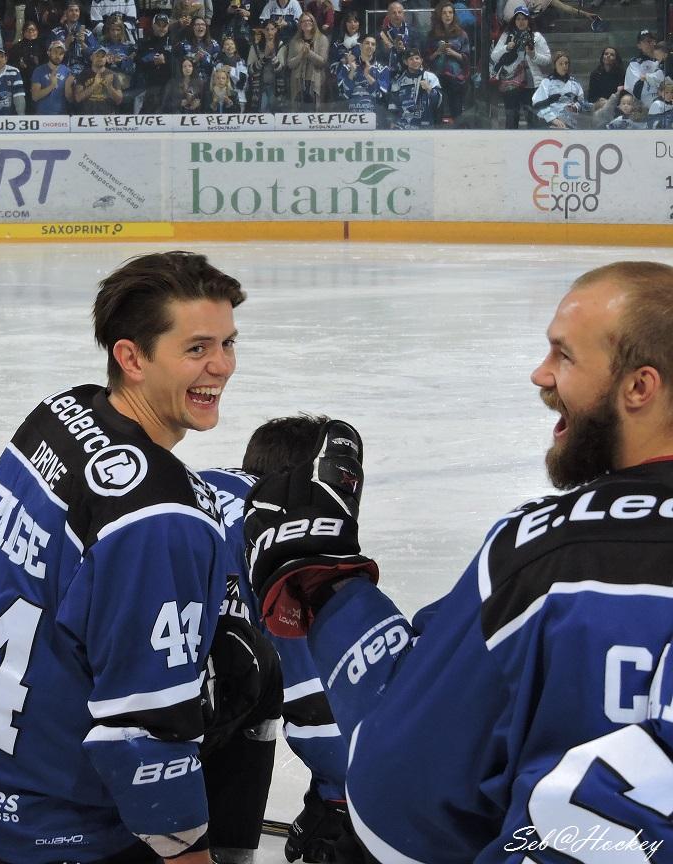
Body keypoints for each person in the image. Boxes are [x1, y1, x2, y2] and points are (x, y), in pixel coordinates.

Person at [243, 261, 673, 863]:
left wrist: (328, 585)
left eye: (565, 355)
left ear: (639, 388)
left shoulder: (545, 557)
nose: (541, 373)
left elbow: (403, 793)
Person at [0, 251, 246, 864]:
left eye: (228, 343)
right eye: (197, 348)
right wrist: (187, 850)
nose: (222, 366)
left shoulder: (63, 411)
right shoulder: (162, 520)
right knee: (247, 670)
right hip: (65, 822)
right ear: (132, 358)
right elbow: (146, 731)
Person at [200, 416, 360, 864]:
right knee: (260, 674)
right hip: (150, 722)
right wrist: (341, 797)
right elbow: (314, 706)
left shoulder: (203, 482)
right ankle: (225, 849)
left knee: (238, 661)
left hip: (76, 701)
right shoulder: (282, 538)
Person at [490, 6, 550, 129]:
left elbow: (547, 59)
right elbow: (494, 56)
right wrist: (506, 47)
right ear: (514, 20)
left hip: (531, 83)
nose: (521, 22)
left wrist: (533, 55)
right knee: (511, 118)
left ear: (528, 20)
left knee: (532, 119)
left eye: (524, 19)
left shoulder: (537, 37)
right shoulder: (506, 35)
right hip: (510, 82)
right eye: (518, 19)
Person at [423, 0, 469, 123]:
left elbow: (467, 58)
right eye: (444, 13)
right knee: (437, 110)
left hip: (456, 77)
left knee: (457, 111)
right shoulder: (432, 35)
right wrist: (437, 52)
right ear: (439, 15)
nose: (448, 15)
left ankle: (458, 132)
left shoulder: (462, 34)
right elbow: (426, 59)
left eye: (450, 12)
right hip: (437, 77)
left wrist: (453, 53)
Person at [532, 49, 589, 128]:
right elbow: (538, 105)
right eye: (560, 64)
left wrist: (575, 107)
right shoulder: (547, 82)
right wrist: (552, 119)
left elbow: (582, 102)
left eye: (566, 63)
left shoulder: (575, 83)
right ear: (555, 65)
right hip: (551, 122)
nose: (564, 66)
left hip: (572, 120)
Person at [388, 45, 440, 127]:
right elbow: (393, 104)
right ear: (405, 62)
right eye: (411, 59)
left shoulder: (430, 77)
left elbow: (439, 101)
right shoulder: (398, 81)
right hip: (403, 126)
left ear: (421, 60)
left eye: (417, 58)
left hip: (425, 125)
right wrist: (392, 121)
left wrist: (429, 89)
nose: (415, 61)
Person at [284, 10, 327, 109]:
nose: (307, 23)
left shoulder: (322, 39)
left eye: (309, 20)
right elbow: (290, 64)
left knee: (315, 111)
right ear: (300, 25)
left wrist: (309, 53)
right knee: (298, 110)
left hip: (315, 81)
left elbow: (322, 62)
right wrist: (301, 55)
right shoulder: (294, 41)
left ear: (313, 22)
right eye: (304, 21)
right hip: (297, 81)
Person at [66, 43, 123, 112]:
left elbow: (119, 100)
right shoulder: (83, 75)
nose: (100, 58)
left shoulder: (113, 75)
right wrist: (94, 85)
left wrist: (109, 87)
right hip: (88, 116)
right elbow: (78, 98)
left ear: (106, 58)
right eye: (97, 56)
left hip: (107, 115)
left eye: (103, 56)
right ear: (91, 57)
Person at [625, 29, 666, 110]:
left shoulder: (664, 60)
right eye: (646, 41)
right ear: (639, 45)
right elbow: (637, 91)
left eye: (652, 40)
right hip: (645, 108)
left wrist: (647, 78)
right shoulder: (635, 63)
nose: (650, 43)